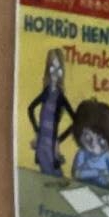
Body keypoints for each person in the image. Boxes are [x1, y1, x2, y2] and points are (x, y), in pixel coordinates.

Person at [27, 48, 75, 177]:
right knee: (44, 174)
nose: (55, 72)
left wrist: (59, 140)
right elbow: (30, 109)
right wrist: (37, 130)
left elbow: (75, 121)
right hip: (41, 143)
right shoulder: (46, 92)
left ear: (61, 72)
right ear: (48, 69)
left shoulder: (60, 96)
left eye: (58, 69)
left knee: (55, 175)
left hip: (51, 145)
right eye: (52, 67)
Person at [69, 99, 109, 189]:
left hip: (104, 193)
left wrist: (107, 179)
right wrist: (98, 173)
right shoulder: (82, 153)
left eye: (101, 140)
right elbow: (76, 174)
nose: (93, 144)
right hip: (81, 190)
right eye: (88, 138)